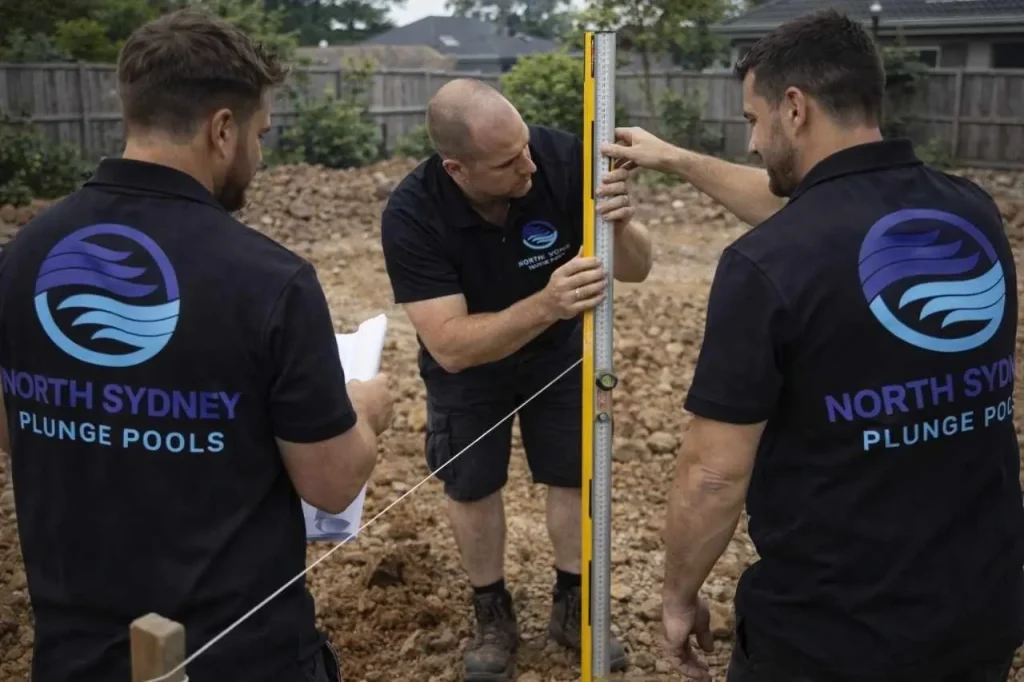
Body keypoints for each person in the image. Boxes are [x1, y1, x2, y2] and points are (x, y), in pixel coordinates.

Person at [603, 9, 1023, 682]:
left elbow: (713, 474)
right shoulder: (971, 214)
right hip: (978, 615)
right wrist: (675, 160)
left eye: (751, 120)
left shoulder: (764, 265)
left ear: (793, 109)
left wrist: (678, 596)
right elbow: (833, 218)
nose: (750, 145)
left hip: (829, 638)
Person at [0, 9, 394, 682]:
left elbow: (14, 432)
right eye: (260, 135)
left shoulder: (21, 258)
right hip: (241, 657)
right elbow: (331, 486)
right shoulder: (271, 280)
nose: (261, 158)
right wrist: (365, 409)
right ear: (222, 129)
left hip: (74, 654)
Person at [379, 78, 653, 680]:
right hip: (472, 364)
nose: (527, 165)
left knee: (572, 469)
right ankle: (492, 612)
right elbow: (449, 346)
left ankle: (573, 604)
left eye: (525, 146)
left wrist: (621, 226)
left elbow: (636, 269)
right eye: (507, 162)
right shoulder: (412, 214)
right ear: (457, 168)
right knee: (471, 483)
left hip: (557, 352)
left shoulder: (557, 159)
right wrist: (547, 305)